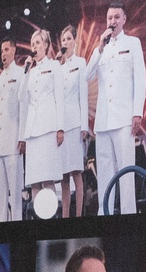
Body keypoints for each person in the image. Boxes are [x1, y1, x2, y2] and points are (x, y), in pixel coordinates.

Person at [86, 5, 146, 215]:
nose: (112, 21)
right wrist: (99, 48)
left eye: (116, 17)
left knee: (126, 170)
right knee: (104, 172)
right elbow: (86, 75)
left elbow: (140, 79)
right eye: (109, 17)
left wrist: (137, 111)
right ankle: (105, 212)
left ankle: (129, 212)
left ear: (124, 20)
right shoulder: (102, 48)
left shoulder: (132, 43)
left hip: (123, 118)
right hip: (103, 120)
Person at [18, 30, 65, 205]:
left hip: (48, 129)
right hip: (32, 132)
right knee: (35, 181)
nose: (34, 47)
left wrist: (60, 128)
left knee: (47, 179)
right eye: (32, 44)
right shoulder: (30, 71)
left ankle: (52, 216)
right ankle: (38, 218)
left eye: (38, 43)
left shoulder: (54, 66)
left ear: (46, 45)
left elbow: (59, 98)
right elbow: (21, 96)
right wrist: (25, 71)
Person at [58, 25, 91, 218]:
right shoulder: (58, 68)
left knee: (76, 173)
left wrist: (84, 126)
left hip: (75, 124)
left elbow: (83, 96)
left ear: (74, 42)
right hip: (61, 126)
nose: (65, 43)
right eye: (63, 40)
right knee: (63, 176)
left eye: (68, 39)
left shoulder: (81, 62)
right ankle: (64, 216)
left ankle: (78, 215)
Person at [0, 37, 26, 221]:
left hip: (13, 140)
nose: (3, 53)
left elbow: (23, 106)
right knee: (0, 197)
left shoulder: (20, 73)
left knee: (15, 193)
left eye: (6, 49)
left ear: (13, 50)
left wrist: (22, 137)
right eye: (1, 50)